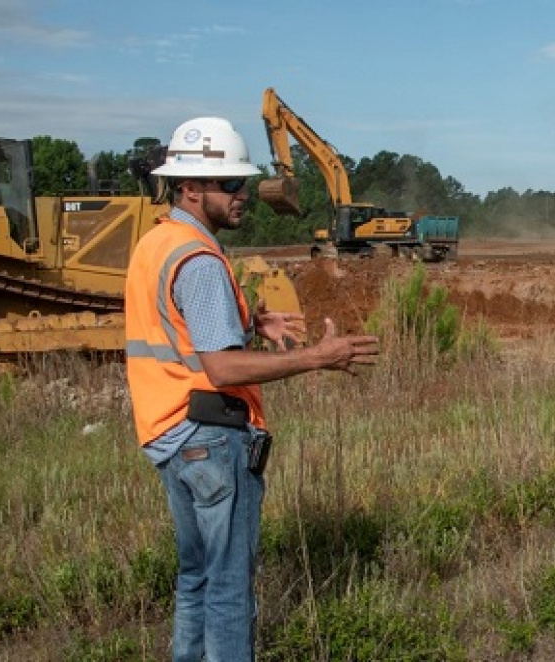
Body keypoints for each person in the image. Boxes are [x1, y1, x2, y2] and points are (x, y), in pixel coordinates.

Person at [125, 116, 380, 660]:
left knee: (196, 579)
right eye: (231, 185)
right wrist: (318, 357)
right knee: (228, 590)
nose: (245, 195)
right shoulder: (200, 260)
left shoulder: (159, 243)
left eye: (243, 182)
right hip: (211, 439)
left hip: (169, 434)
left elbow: (182, 336)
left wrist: (247, 327)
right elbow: (221, 370)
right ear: (190, 188)